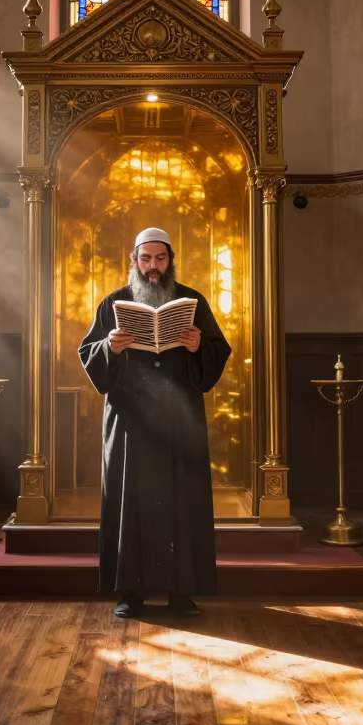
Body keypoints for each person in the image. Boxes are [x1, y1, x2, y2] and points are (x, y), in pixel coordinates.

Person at [79, 227, 231, 618]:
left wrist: (199, 347)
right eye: (145, 259)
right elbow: (89, 351)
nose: (152, 267)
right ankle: (131, 593)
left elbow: (218, 350)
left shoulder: (192, 300)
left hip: (179, 419)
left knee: (183, 503)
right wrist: (109, 348)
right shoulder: (114, 302)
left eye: (159, 259)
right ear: (134, 261)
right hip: (131, 421)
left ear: (170, 260)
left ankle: (183, 592)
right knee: (131, 503)